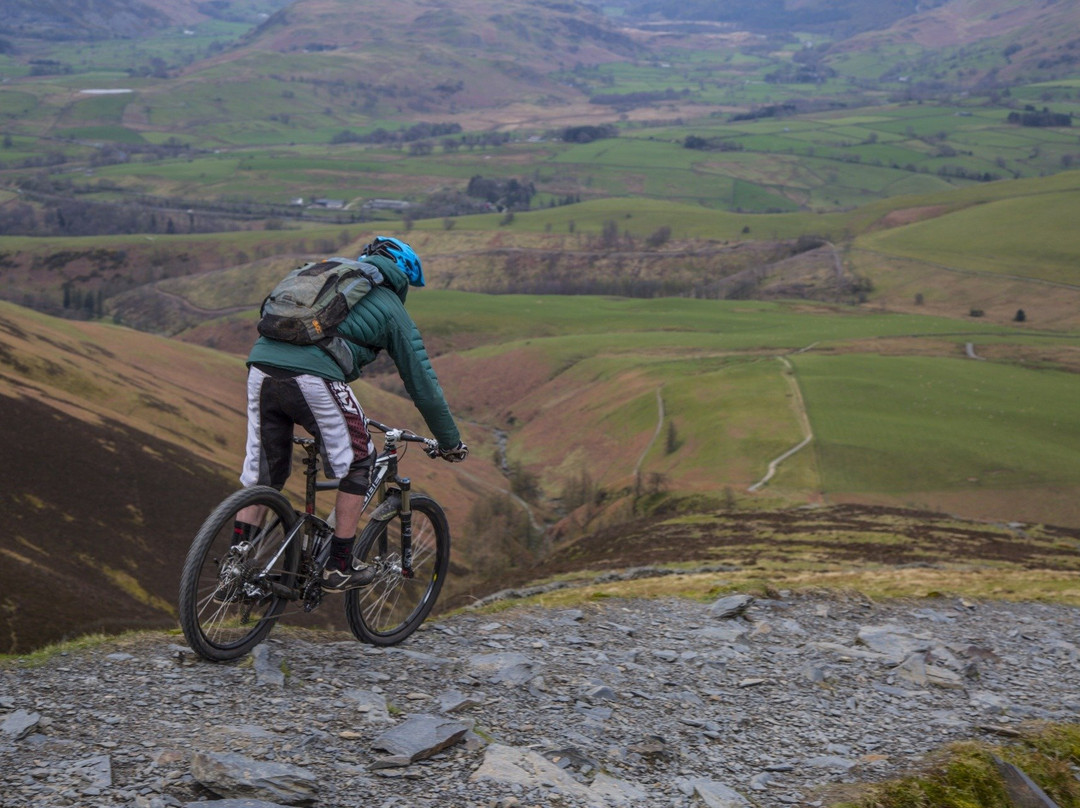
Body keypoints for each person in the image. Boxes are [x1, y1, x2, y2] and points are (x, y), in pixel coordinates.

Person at [236, 236, 467, 590]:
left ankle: (237, 566)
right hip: (314, 378)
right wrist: (450, 442)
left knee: (262, 473)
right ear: (403, 276)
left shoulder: (323, 276)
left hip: (260, 369)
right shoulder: (389, 305)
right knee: (359, 462)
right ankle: (338, 566)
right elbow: (423, 385)